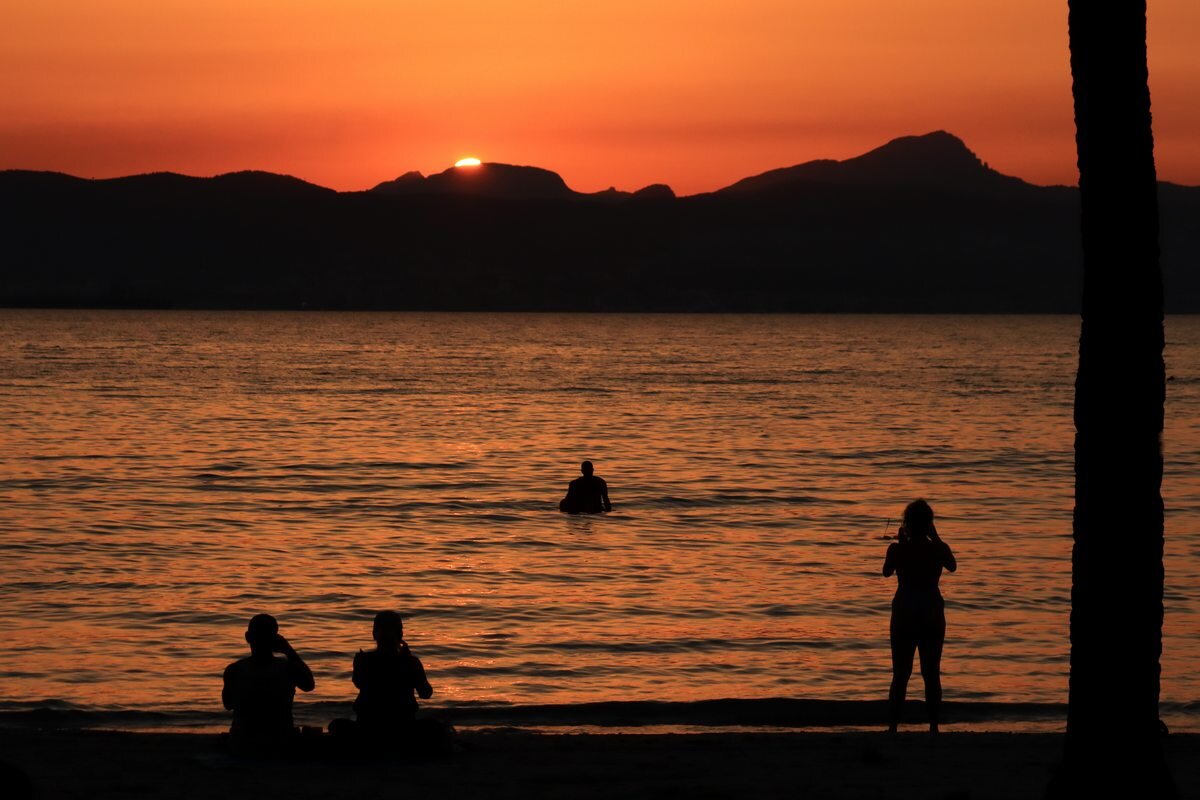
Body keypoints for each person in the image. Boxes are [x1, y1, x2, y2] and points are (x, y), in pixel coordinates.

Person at [330, 611, 453, 755]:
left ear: (374, 634)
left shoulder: (363, 660)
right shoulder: (409, 661)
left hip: (369, 728)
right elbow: (426, 693)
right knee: (435, 727)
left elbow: (359, 682)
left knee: (337, 726)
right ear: (400, 635)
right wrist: (408, 664)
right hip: (402, 728)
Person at [882, 499, 957, 734]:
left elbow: (886, 572)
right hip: (931, 611)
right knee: (931, 672)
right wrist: (936, 538)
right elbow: (952, 566)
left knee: (900, 673)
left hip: (904, 611)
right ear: (930, 524)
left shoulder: (897, 549)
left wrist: (901, 543)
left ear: (906, 523)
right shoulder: (938, 548)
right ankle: (934, 726)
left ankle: (893, 726)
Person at [222, 614, 315, 753]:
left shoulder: (234, 669)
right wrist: (289, 651)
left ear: (247, 637)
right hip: (281, 742)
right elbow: (309, 685)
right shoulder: (288, 667)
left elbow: (227, 704)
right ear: (275, 639)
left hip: (243, 743)